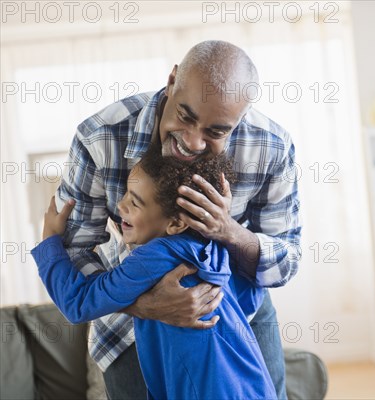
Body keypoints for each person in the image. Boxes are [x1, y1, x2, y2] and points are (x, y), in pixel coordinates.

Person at [58, 40, 301, 399]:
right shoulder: (100, 138)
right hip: (128, 323)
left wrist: (229, 231)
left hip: (238, 317)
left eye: (216, 132)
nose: (192, 142)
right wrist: (144, 303)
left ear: (241, 117)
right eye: (185, 117)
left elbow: (287, 262)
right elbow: (74, 249)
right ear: (172, 81)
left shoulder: (271, 147)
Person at [34, 149, 276, 399]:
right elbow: (251, 297)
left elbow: (78, 303)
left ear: (175, 224)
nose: (120, 205)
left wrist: (49, 241)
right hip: (254, 386)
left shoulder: (155, 256)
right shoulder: (216, 250)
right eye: (126, 193)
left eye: (134, 202)